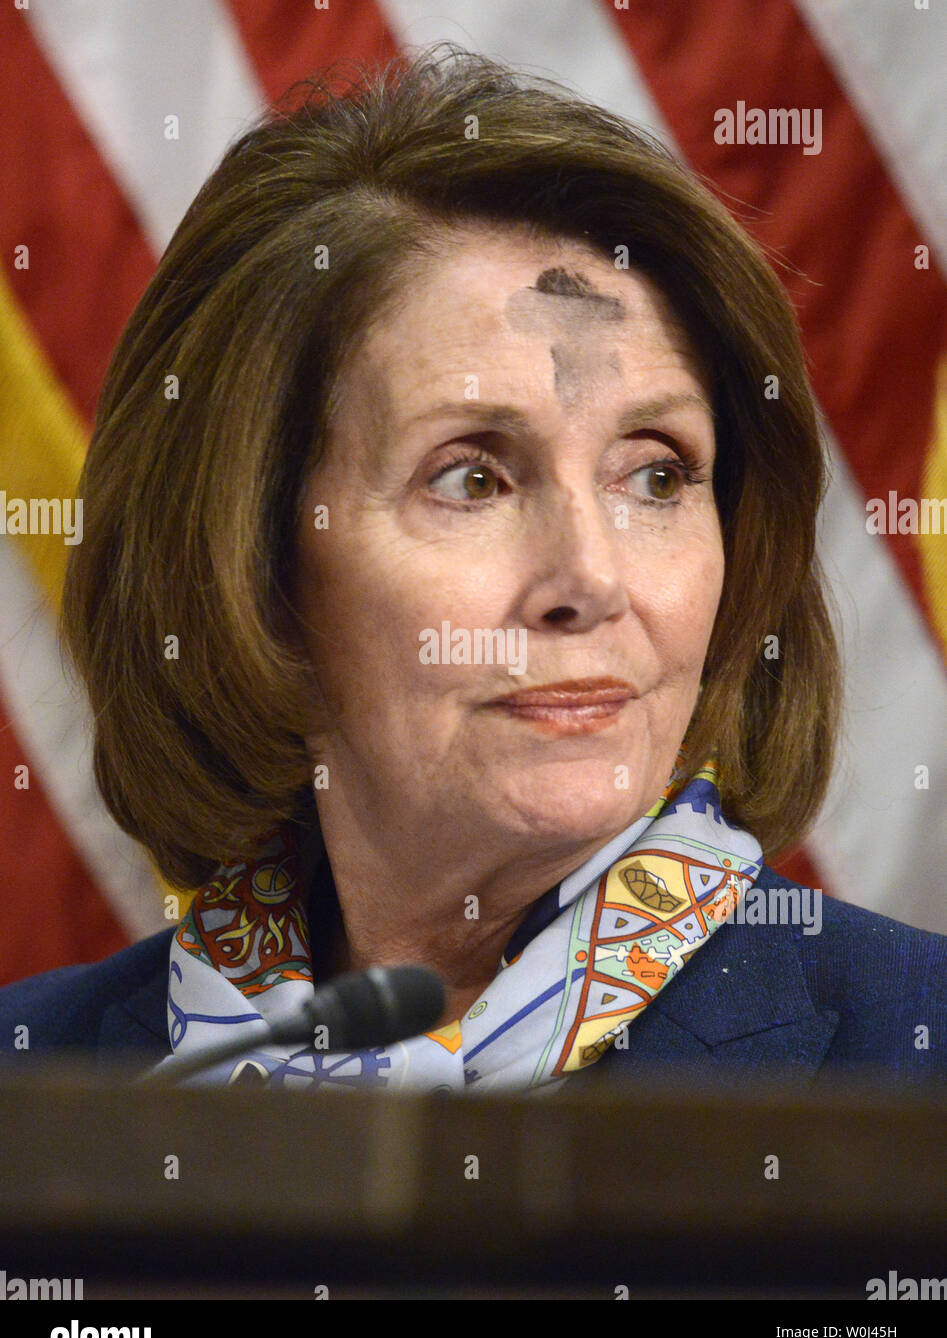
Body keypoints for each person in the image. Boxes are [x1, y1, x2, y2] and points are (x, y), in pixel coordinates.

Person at [1, 45, 944, 1095]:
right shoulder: (29, 1084)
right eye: (471, 480)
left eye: (655, 476)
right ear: (252, 566)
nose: (589, 578)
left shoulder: (914, 1056)